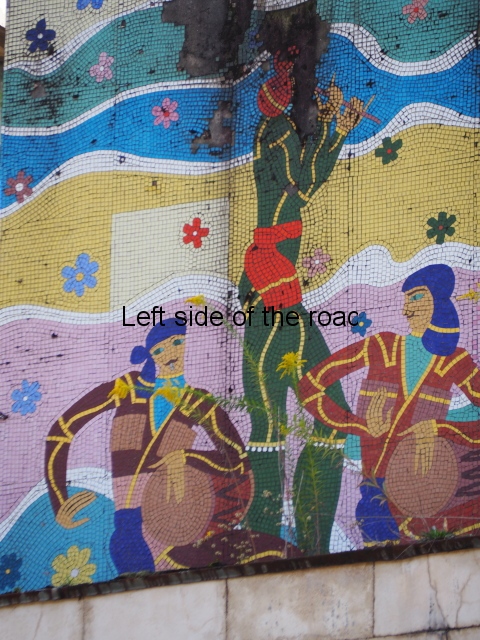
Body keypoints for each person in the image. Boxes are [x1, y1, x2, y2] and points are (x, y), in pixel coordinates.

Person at [238, 45, 366, 551]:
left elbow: (306, 180)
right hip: (268, 294)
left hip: (282, 294)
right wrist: (334, 129)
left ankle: (312, 546)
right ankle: (267, 546)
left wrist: (335, 128)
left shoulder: (276, 138)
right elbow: (306, 180)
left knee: (331, 413)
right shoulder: (274, 136)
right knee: (268, 425)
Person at [45, 320, 255, 572]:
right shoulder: (128, 388)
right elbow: (62, 429)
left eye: (178, 342)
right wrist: (59, 498)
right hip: (125, 522)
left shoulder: (197, 401)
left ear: (188, 344)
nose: (170, 353)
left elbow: (238, 460)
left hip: (170, 520)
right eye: (160, 349)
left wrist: (187, 457)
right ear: (150, 355)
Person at [298, 264, 480, 544]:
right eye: (406, 300)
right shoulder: (382, 347)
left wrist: (440, 428)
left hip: (420, 489)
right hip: (373, 489)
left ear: (437, 301)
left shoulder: (454, 361)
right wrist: (359, 425)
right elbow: (309, 387)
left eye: (416, 297)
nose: (407, 309)